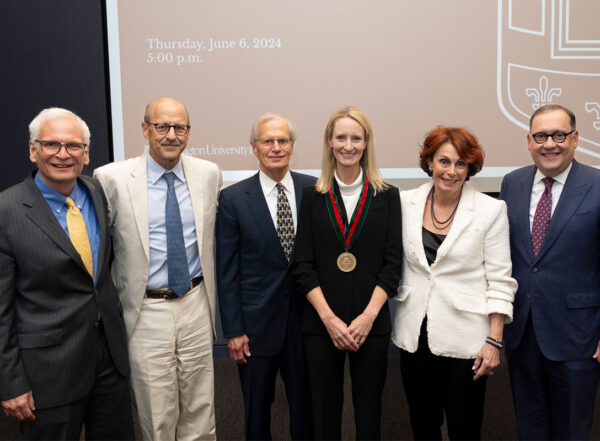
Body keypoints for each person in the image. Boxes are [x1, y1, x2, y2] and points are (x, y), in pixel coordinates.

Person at [0, 108, 134, 439]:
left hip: (109, 361)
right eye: (51, 144)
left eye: (73, 146)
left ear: (86, 154)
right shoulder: (7, 211)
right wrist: (10, 383)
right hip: (48, 372)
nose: (63, 154)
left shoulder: (96, 193)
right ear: (33, 149)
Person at [94, 97, 222, 440]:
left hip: (195, 301)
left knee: (200, 406)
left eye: (179, 127)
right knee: (157, 410)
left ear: (189, 132)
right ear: (144, 129)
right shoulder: (112, 179)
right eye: (161, 126)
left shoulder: (208, 174)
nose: (171, 135)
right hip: (145, 309)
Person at [391, 126, 517, 440]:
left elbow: (500, 279)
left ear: (470, 168)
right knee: (422, 426)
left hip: (466, 340)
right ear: (430, 162)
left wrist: (494, 340)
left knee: (465, 428)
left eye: (460, 163)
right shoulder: (403, 203)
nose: (451, 171)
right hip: (413, 336)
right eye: (444, 161)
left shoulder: (491, 210)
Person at [294, 105, 402, 440]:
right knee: (324, 413)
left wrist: (368, 317)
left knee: (369, 411)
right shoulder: (312, 196)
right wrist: (329, 319)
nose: (348, 145)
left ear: (367, 143)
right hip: (322, 323)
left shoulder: (388, 196)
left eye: (356, 138)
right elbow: (303, 265)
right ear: (329, 141)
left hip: (370, 324)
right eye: (341, 137)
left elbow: (392, 265)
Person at [500, 104, 600, 440]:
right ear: (529, 140)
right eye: (541, 136)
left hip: (579, 337)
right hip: (523, 333)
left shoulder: (597, 183)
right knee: (529, 429)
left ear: (575, 139)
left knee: (572, 431)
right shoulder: (512, 184)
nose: (550, 144)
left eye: (559, 135)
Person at [216, 113, 315, 440]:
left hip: (306, 323)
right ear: (254, 148)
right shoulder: (232, 199)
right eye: (268, 141)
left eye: (283, 141)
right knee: (256, 414)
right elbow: (227, 270)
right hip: (254, 329)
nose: (276, 147)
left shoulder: (314, 190)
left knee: (307, 410)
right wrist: (233, 330)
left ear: (292, 146)